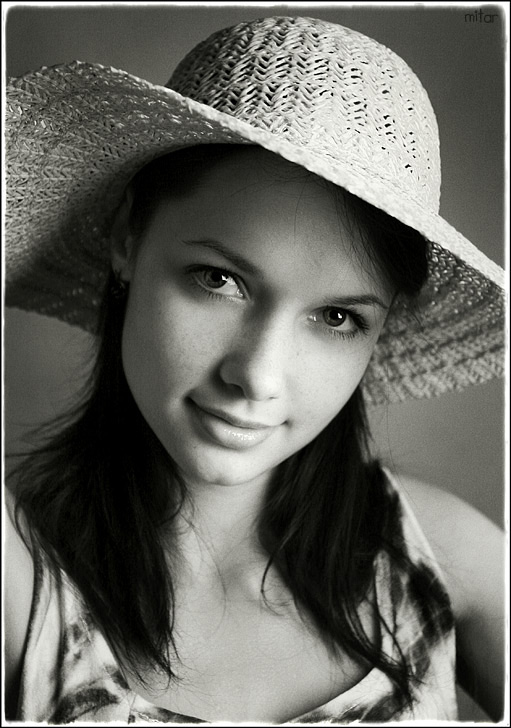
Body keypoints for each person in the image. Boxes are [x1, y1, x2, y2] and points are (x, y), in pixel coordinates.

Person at [4, 15, 505, 725]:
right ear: (127, 239)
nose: (258, 376)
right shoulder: (21, 576)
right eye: (217, 279)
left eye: (336, 318)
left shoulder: (442, 554)